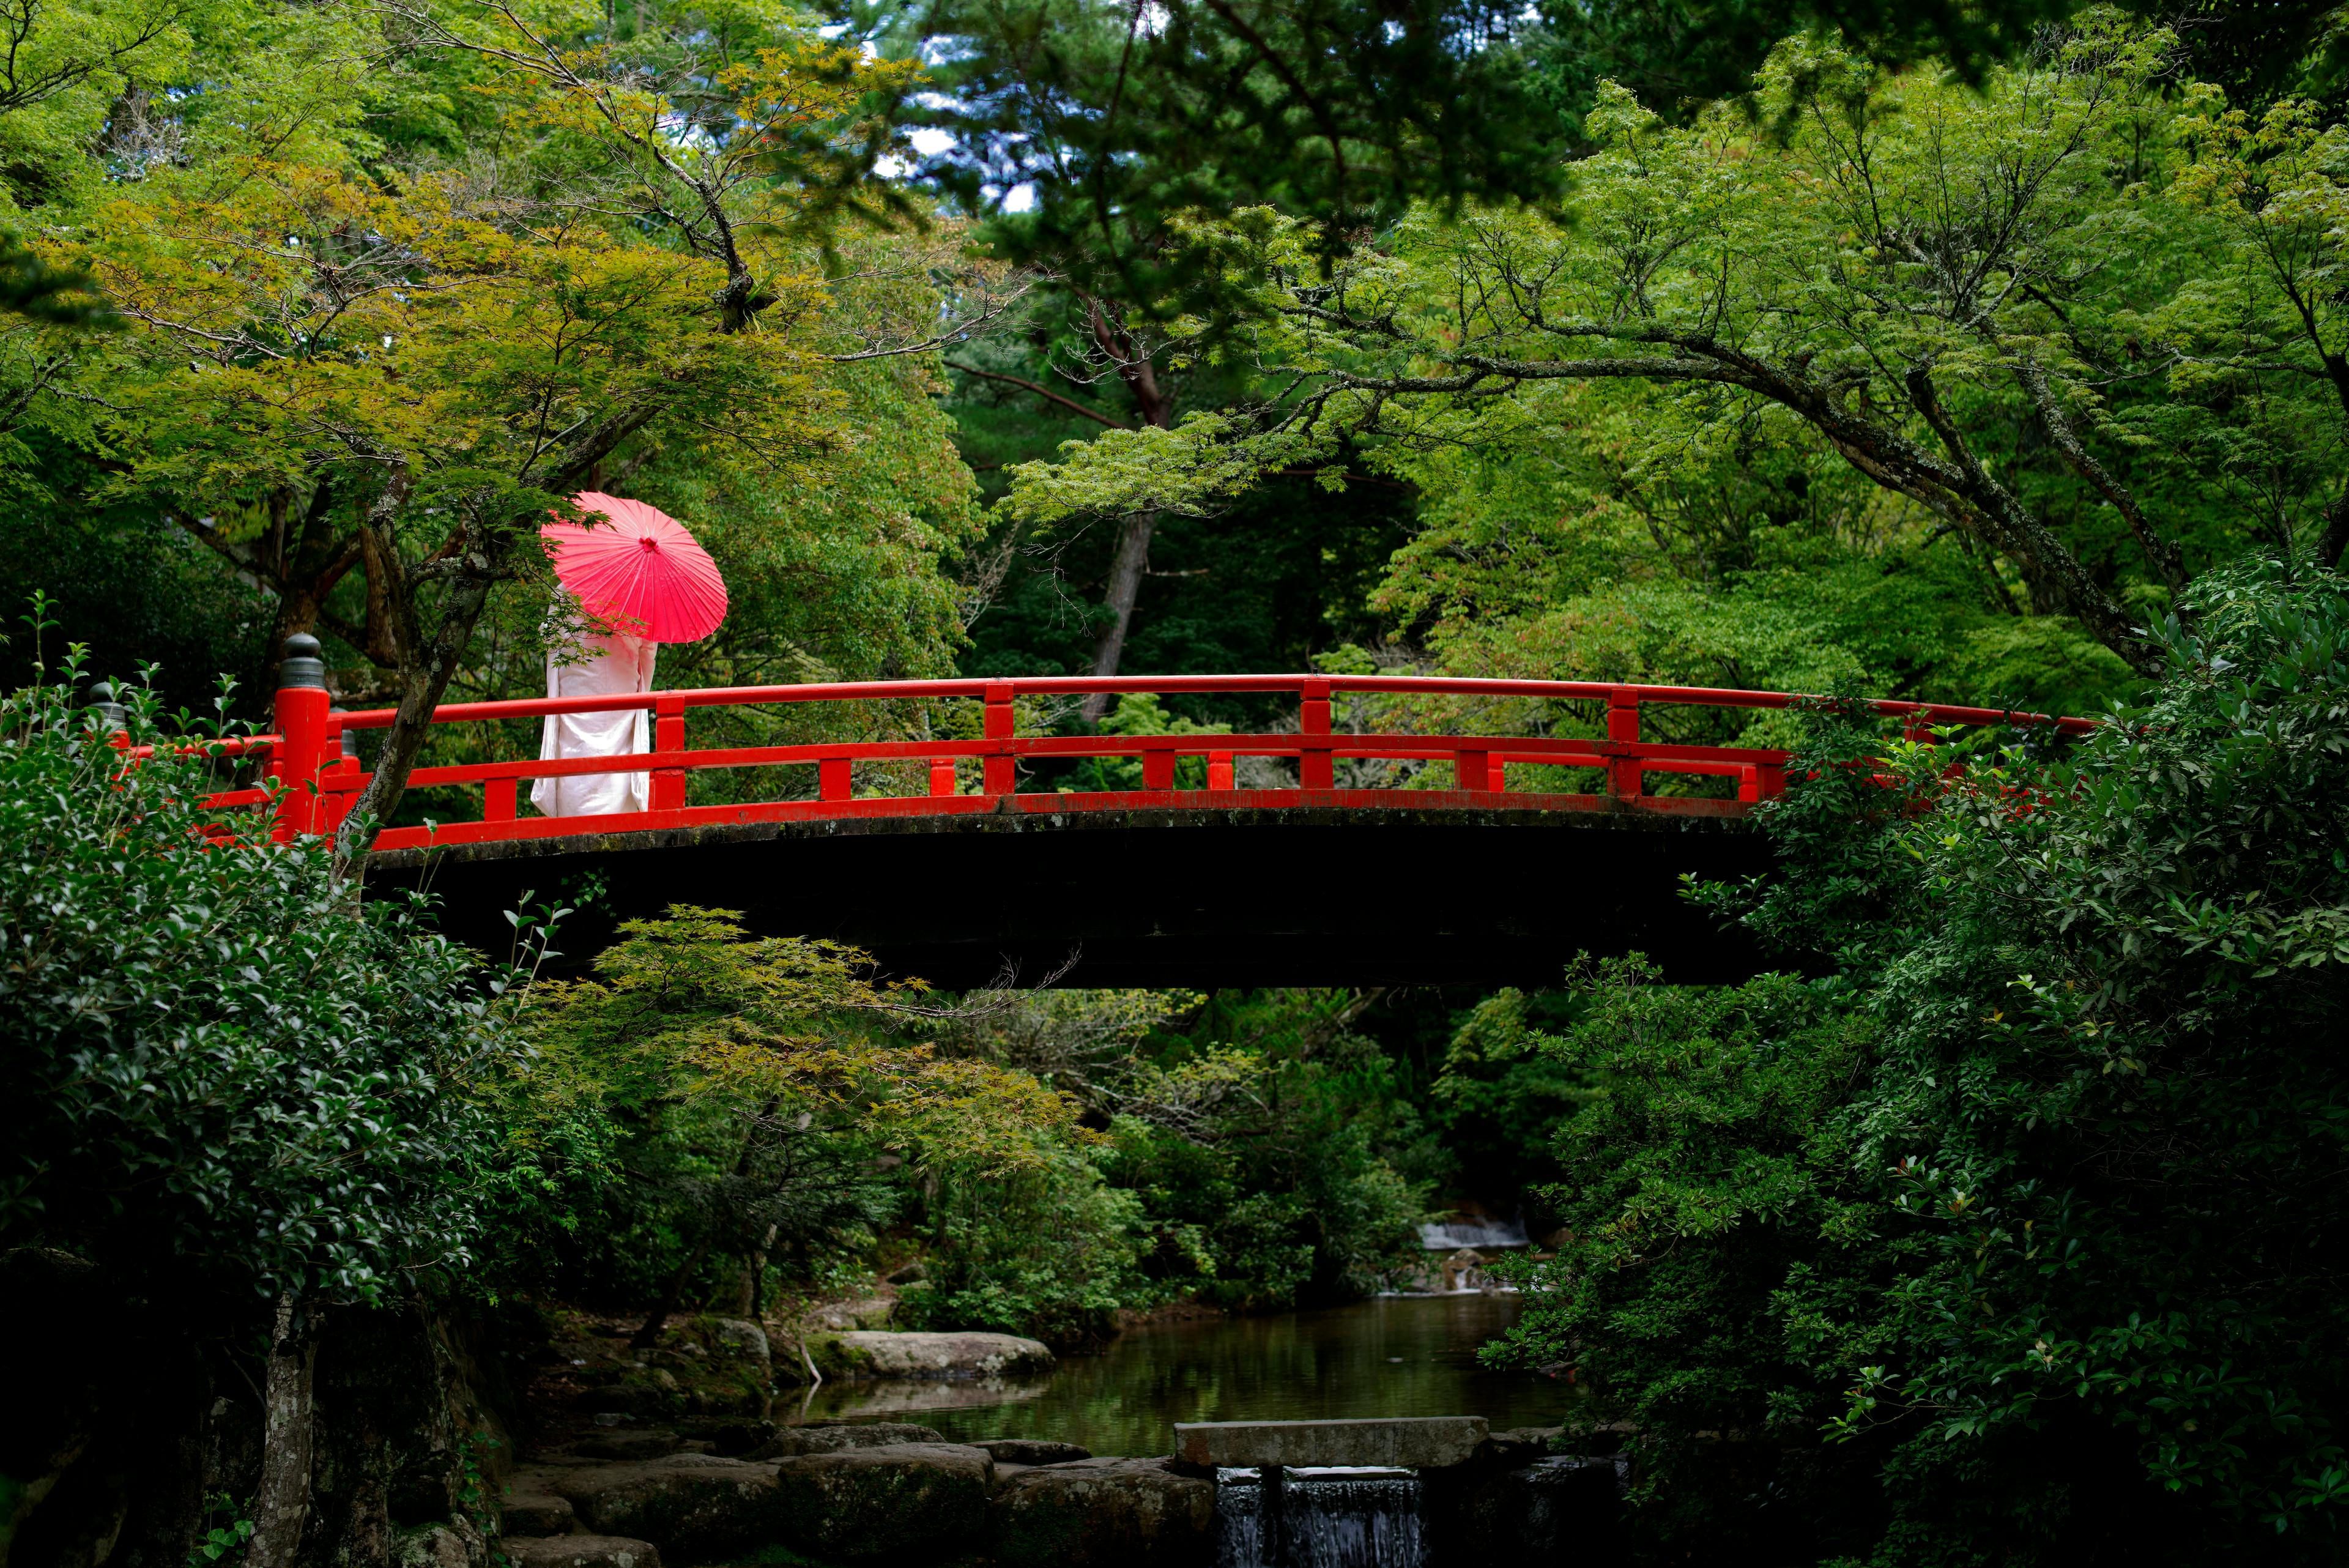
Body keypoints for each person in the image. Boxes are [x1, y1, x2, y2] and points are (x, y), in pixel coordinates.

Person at [533, 613, 657, 817]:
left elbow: (551, 642)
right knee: (620, 753)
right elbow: (648, 656)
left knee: (573, 748)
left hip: (577, 690)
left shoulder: (566, 591)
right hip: (622, 694)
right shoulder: (638, 598)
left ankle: (572, 817)